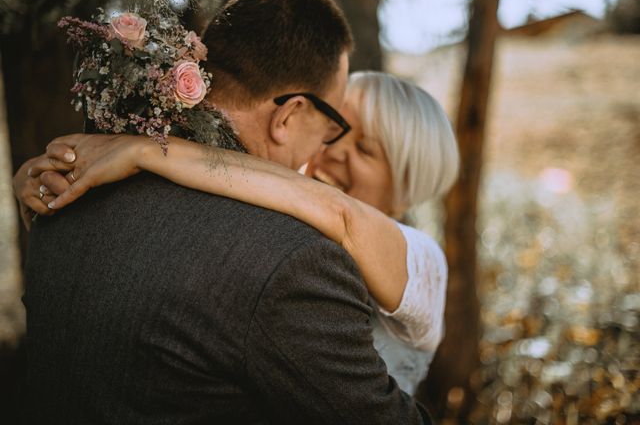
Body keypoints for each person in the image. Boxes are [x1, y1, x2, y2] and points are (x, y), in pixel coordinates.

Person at [14, 0, 435, 424]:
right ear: (289, 115)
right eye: (330, 130)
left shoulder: (63, 192)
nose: (323, 154)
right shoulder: (294, 261)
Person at [17, 71, 459, 396]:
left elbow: (343, 217)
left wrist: (146, 151)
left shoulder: (425, 262)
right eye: (335, 131)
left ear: (407, 185)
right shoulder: (286, 225)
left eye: (364, 149)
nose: (333, 152)